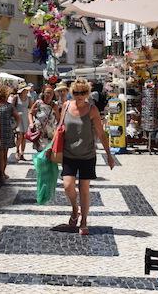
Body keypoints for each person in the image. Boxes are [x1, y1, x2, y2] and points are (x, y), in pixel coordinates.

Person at [56, 78, 115, 235]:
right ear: (72, 93)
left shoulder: (92, 110)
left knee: (84, 189)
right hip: (69, 154)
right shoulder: (66, 106)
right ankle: (75, 209)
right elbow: (59, 128)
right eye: (76, 92)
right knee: (68, 186)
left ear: (87, 93)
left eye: (82, 92)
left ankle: (83, 221)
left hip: (87, 155)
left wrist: (109, 154)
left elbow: (101, 134)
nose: (79, 95)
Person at [0, 84, 21, 182]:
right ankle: (2, 173)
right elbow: (18, 117)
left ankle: (1, 174)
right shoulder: (9, 106)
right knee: (4, 154)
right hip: (7, 131)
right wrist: (14, 127)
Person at [28, 85, 60, 150]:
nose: (49, 95)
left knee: (48, 151)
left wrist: (58, 130)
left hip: (50, 133)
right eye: (47, 92)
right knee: (40, 152)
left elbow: (58, 119)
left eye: (51, 93)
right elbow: (30, 113)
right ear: (43, 93)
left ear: (53, 94)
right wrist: (31, 123)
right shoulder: (38, 103)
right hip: (39, 133)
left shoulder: (54, 105)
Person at [11, 85, 32, 161]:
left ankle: (22, 153)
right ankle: (17, 151)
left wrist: (31, 120)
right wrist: (16, 114)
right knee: (19, 136)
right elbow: (12, 107)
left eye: (26, 90)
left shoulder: (29, 98)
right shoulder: (16, 97)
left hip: (25, 118)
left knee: (24, 137)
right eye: (25, 90)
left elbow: (31, 108)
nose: (26, 91)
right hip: (18, 118)